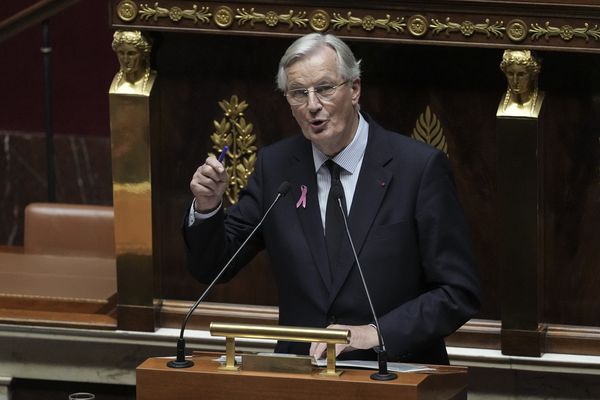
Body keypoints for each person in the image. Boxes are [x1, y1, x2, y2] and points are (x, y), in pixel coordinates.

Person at [183, 33, 480, 365]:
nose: (312, 105)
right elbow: (213, 265)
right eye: (298, 93)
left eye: (324, 88)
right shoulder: (276, 167)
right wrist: (207, 207)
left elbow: (458, 292)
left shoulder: (418, 169)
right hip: (303, 376)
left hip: (394, 373)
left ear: (354, 89)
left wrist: (376, 332)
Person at [498, 49, 544, 117]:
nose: (515, 81)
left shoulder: (544, 102)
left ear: (533, 75)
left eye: (521, 74)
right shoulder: (495, 102)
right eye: (510, 74)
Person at [110, 30, 156, 95]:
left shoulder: (152, 79)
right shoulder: (116, 84)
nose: (125, 60)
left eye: (131, 54)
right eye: (121, 53)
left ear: (144, 54)